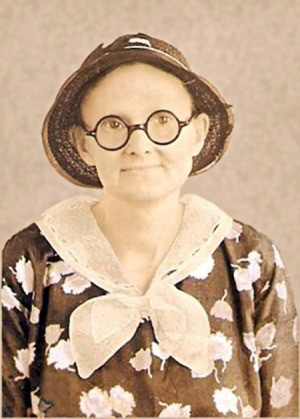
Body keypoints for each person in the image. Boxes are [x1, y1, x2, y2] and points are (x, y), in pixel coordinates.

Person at [1, 33, 298, 418]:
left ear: (197, 132)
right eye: (112, 125)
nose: (139, 145)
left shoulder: (249, 260)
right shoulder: (32, 262)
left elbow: (285, 407)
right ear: (83, 144)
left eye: (163, 121)